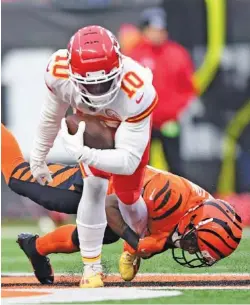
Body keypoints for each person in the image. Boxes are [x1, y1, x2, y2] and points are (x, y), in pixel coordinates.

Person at [1, 124, 242, 284]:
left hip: (125, 197)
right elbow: (112, 205)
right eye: (194, 244)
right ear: (193, 220)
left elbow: (149, 225)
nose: (190, 250)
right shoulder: (169, 198)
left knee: (95, 237)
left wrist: (137, 247)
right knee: (17, 177)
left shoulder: (198, 211)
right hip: (99, 180)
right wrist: (136, 244)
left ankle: (35, 247)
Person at [29, 25, 158, 287]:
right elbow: (51, 116)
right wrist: (38, 156)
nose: (99, 91)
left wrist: (83, 153)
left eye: (105, 82)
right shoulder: (59, 74)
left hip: (126, 130)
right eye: (91, 84)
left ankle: (132, 248)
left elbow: (127, 161)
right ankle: (91, 269)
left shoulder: (138, 90)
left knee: (129, 200)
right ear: (74, 74)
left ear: (119, 68)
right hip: (91, 125)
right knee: (94, 186)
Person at [128, 7, 196, 176]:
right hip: (143, 122)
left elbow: (188, 88)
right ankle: (141, 201)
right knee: (141, 168)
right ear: (144, 31)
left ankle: (180, 201)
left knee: (176, 167)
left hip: (169, 122)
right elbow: (127, 90)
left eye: (161, 30)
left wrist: (176, 112)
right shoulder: (134, 55)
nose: (158, 34)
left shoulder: (178, 53)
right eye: (153, 30)